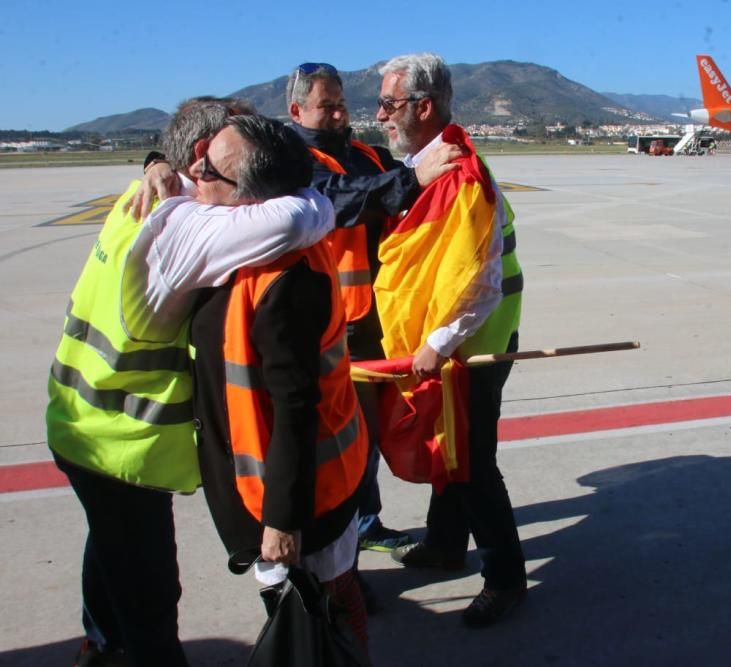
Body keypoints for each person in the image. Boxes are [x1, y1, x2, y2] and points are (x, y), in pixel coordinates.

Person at [47, 101, 335, 667]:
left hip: (77, 423)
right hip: (122, 447)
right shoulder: (185, 225)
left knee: (109, 547)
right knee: (152, 593)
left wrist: (155, 162)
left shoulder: (143, 203)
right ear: (200, 157)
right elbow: (300, 216)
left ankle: (100, 643)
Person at [147, 114, 371, 651]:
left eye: (208, 170)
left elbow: (296, 408)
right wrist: (154, 164)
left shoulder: (287, 279)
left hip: (305, 496)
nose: (193, 172)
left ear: (249, 200)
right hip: (265, 484)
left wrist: (283, 522)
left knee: (321, 620)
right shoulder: (235, 247)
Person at [374, 53, 527, 628]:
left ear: (424, 106)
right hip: (454, 347)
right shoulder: (425, 167)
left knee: (471, 465)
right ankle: (443, 544)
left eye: (389, 104)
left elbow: (478, 280)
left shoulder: (461, 175)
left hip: (471, 348)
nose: (381, 115)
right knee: (449, 449)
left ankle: (506, 578)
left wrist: (436, 343)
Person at [286, 62, 461, 556]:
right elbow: (335, 200)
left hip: (373, 323)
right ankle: (337, 542)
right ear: (296, 110)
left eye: (342, 102)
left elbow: (407, 184)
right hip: (323, 328)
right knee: (332, 439)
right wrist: (411, 180)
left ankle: (363, 522)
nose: (340, 113)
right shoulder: (291, 160)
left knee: (367, 434)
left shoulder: (368, 155)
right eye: (327, 105)